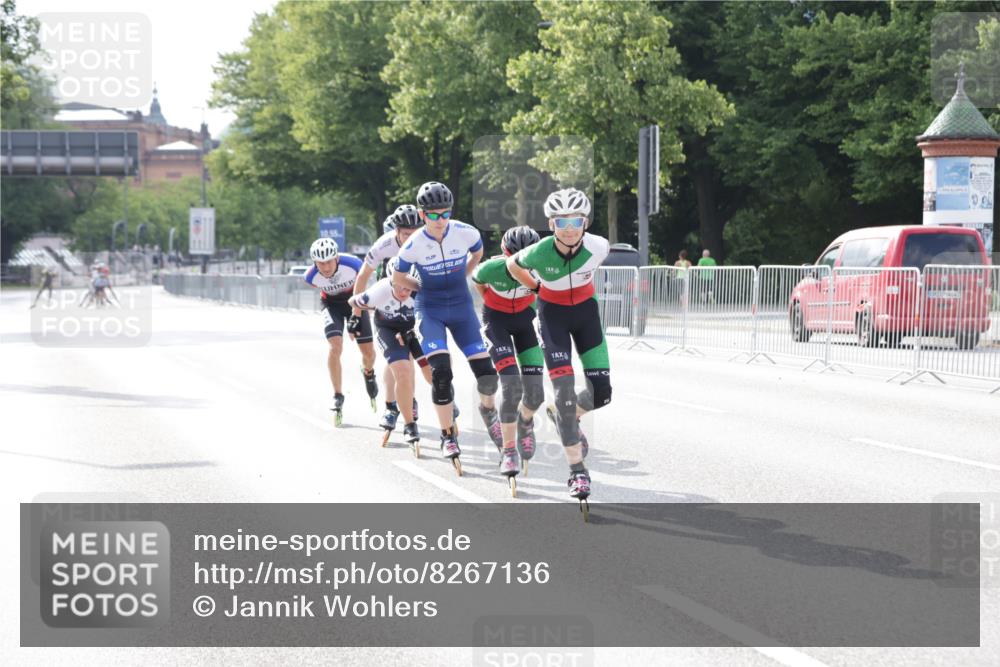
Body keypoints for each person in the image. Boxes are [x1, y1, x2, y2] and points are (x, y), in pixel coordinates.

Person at [506, 188, 611, 506]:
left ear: (586, 223)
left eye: (575, 220)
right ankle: (577, 471)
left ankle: (562, 415)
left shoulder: (599, 247)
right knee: (566, 394)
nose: (568, 227)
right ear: (551, 224)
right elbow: (512, 265)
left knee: (602, 393)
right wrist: (534, 285)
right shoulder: (537, 253)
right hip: (552, 317)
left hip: (586, 314)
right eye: (561, 220)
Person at [392, 181, 501, 474]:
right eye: (433, 215)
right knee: (441, 374)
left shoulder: (466, 232)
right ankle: (447, 435)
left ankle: (488, 410)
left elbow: (477, 255)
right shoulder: (414, 243)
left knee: (488, 375)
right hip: (431, 310)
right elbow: (398, 277)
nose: (440, 221)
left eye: (445, 214)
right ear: (422, 214)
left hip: (462, 308)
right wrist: (423, 289)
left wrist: (462, 276)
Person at [472, 226, 546, 489]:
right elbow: (477, 280)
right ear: (505, 254)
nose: (519, 264)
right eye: (513, 256)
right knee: (512, 386)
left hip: (526, 321)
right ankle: (509, 451)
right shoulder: (491, 268)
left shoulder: (542, 268)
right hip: (497, 322)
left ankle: (525, 422)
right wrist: (492, 302)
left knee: (536, 394)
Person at [353, 206, 425, 429]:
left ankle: (408, 399)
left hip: (414, 298)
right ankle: (392, 406)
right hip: (389, 297)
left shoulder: (425, 241)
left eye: (415, 231)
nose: (410, 238)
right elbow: (363, 275)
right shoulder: (384, 244)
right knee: (396, 359)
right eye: (405, 233)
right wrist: (356, 314)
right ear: (396, 231)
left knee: (410, 356)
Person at [349, 256, 430, 453]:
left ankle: (433, 399)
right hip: (387, 329)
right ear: (390, 281)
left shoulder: (419, 290)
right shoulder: (380, 290)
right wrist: (357, 316)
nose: (404, 292)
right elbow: (354, 300)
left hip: (411, 329)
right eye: (399, 287)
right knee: (401, 369)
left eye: (408, 287)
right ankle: (399, 414)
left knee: (429, 366)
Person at [303, 237, 378, 425]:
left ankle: (368, 372)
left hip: (355, 302)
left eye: (329, 261)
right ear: (314, 262)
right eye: (321, 263)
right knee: (335, 346)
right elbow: (323, 292)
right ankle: (337, 394)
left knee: (368, 354)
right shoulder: (310, 276)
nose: (326, 267)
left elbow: (365, 286)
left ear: (336, 258)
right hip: (331, 306)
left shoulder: (353, 264)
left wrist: (357, 312)